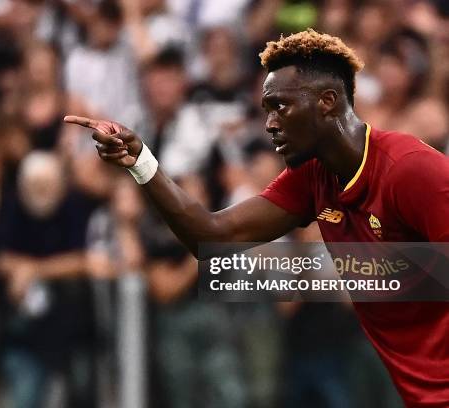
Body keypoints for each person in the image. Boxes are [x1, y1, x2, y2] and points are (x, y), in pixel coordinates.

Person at [64, 29, 449, 407]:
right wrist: (142, 163)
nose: (270, 124)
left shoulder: (410, 170)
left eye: (281, 106)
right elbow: (213, 236)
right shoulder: (313, 177)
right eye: (267, 109)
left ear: (328, 102)